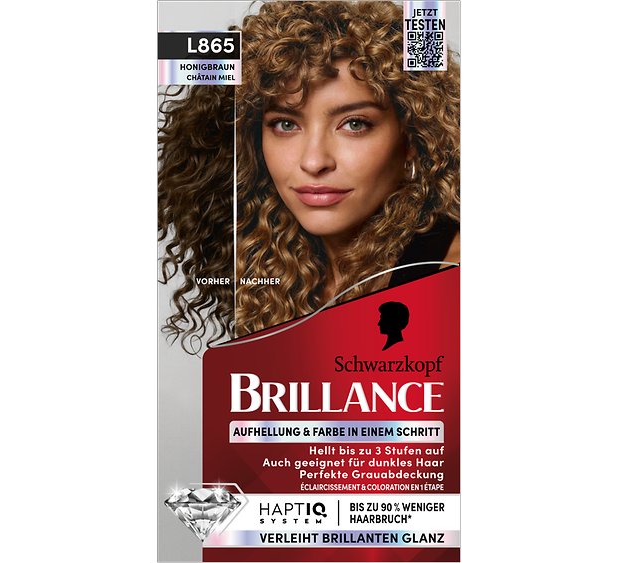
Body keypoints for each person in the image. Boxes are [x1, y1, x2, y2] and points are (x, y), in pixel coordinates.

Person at [158, 1, 459, 350]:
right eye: (285, 125)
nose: (314, 162)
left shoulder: (452, 280)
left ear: (413, 137)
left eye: (354, 124)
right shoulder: (274, 273)